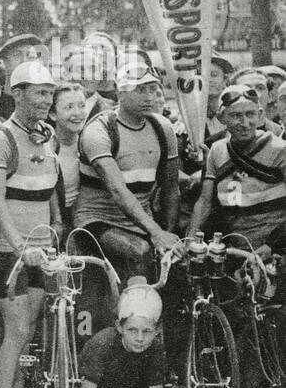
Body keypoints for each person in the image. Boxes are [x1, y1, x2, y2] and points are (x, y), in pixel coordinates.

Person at [0, 61, 62, 388]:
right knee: (15, 332)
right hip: (5, 251)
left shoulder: (47, 135)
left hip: (41, 250)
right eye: (39, 92)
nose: (46, 100)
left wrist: (57, 225)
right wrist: (19, 248)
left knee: (27, 332)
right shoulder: (1, 138)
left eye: (50, 93)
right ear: (18, 93)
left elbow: (51, 191)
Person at [73, 65, 182, 279]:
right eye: (140, 90)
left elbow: (171, 188)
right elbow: (117, 190)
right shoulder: (100, 130)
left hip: (141, 221)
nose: (149, 97)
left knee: (179, 261)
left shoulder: (163, 127)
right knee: (139, 252)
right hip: (97, 221)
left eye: (152, 89)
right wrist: (157, 233)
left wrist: (168, 233)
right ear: (119, 91)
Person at [189, 84, 286, 254]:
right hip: (235, 248)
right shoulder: (217, 151)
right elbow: (205, 202)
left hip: (276, 246)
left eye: (250, 114)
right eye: (236, 116)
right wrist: (190, 238)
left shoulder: (280, 150)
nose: (245, 123)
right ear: (221, 118)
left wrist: (273, 245)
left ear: (261, 115)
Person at [50, 83, 89, 224]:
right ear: (53, 113)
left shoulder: (90, 144)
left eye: (82, 106)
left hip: (82, 218)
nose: (78, 113)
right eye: (69, 107)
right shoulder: (45, 146)